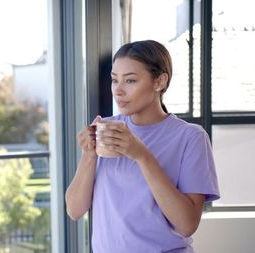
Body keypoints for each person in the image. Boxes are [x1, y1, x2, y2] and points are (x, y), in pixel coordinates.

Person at [65, 40, 220, 252]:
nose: (118, 91)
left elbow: (187, 225)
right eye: (114, 80)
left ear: (160, 82)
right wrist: (89, 155)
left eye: (130, 81)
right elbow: (74, 210)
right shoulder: (107, 130)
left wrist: (141, 155)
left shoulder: (190, 137)